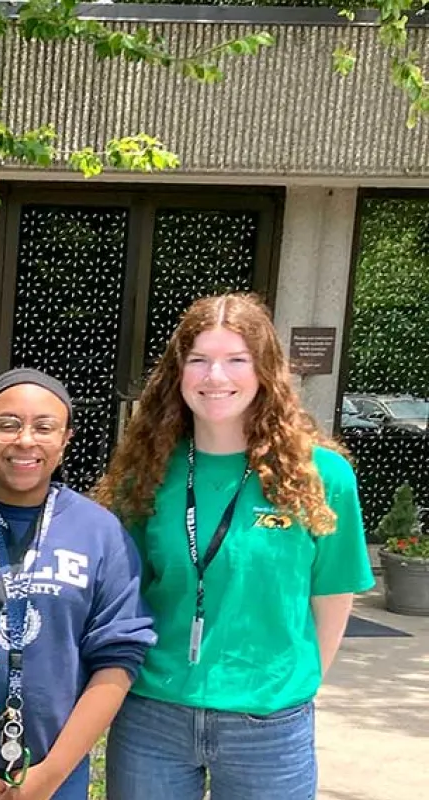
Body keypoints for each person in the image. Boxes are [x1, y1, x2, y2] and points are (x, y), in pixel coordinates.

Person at [96, 293, 372, 800]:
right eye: (199, 360)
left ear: (264, 369)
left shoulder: (321, 475)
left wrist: (297, 681)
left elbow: (332, 595)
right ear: (177, 372)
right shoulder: (147, 471)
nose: (215, 377)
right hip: (154, 714)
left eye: (235, 360)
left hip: (267, 722)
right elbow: (121, 593)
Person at [0, 369, 155, 800]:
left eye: (44, 427)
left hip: (54, 779)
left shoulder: (99, 532)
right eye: (8, 424)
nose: (25, 440)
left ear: (66, 438)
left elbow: (118, 658)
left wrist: (51, 775)